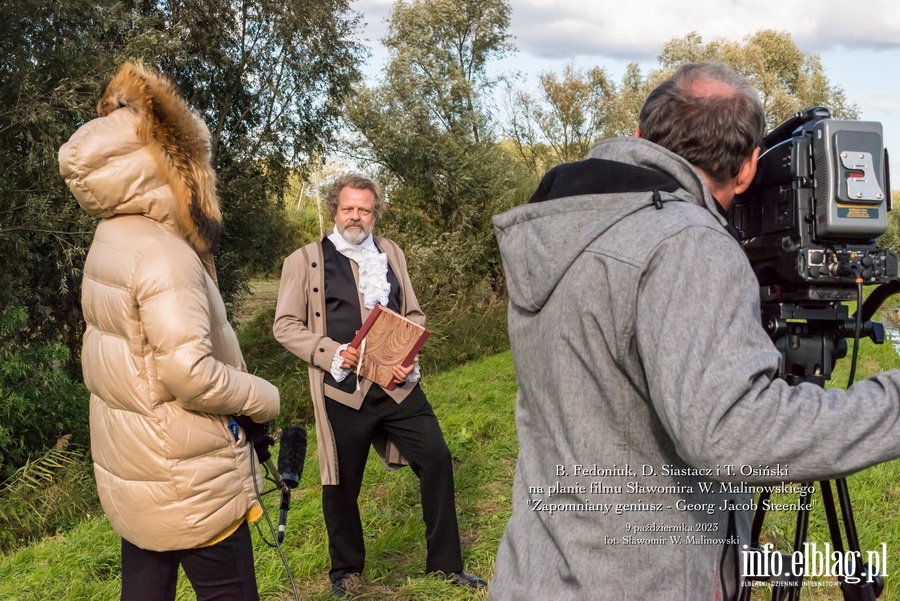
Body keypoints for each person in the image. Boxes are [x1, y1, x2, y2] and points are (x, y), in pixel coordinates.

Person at [490, 60, 900, 600]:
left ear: (640, 138)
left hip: (539, 570)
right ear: (748, 168)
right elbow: (733, 432)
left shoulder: (561, 226)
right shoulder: (687, 242)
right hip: (642, 582)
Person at [59, 61, 280, 601]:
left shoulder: (110, 239)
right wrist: (265, 397)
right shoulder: (164, 254)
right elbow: (190, 374)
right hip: (190, 481)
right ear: (173, 167)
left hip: (137, 479)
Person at [273, 173, 486, 598]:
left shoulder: (390, 252)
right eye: (349, 208)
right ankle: (346, 573)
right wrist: (330, 351)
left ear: (375, 213)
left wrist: (408, 348)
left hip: (396, 385)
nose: (356, 216)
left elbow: (413, 311)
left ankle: (446, 567)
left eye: (365, 209)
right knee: (342, 484)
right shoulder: (305, 260)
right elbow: (286, 325)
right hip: (342, 390)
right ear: (335, 210)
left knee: (437, 458)